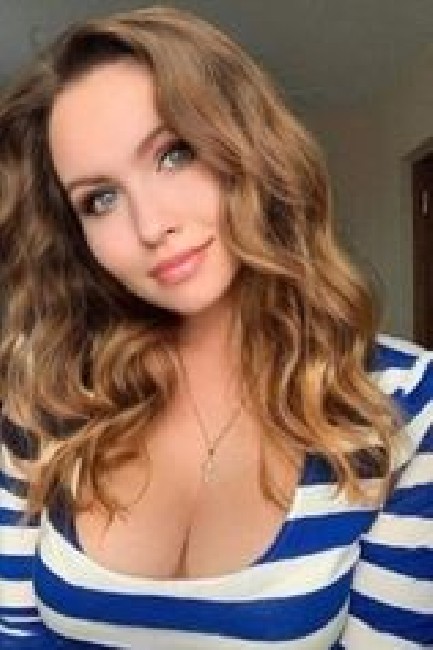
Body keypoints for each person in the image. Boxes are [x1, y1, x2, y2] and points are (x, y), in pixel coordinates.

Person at [0, 5, 431, 648]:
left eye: (174, 154)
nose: (151, 226)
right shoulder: (47, 398)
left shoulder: (404, 404)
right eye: (101, 199)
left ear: (251, 146)